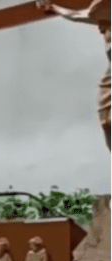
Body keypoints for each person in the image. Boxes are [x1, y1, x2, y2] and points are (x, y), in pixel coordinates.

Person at [37, 0, 112, 150]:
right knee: (106, 120)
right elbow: (77, 15)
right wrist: (54, 7)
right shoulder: (105, 21)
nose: (100, 29)